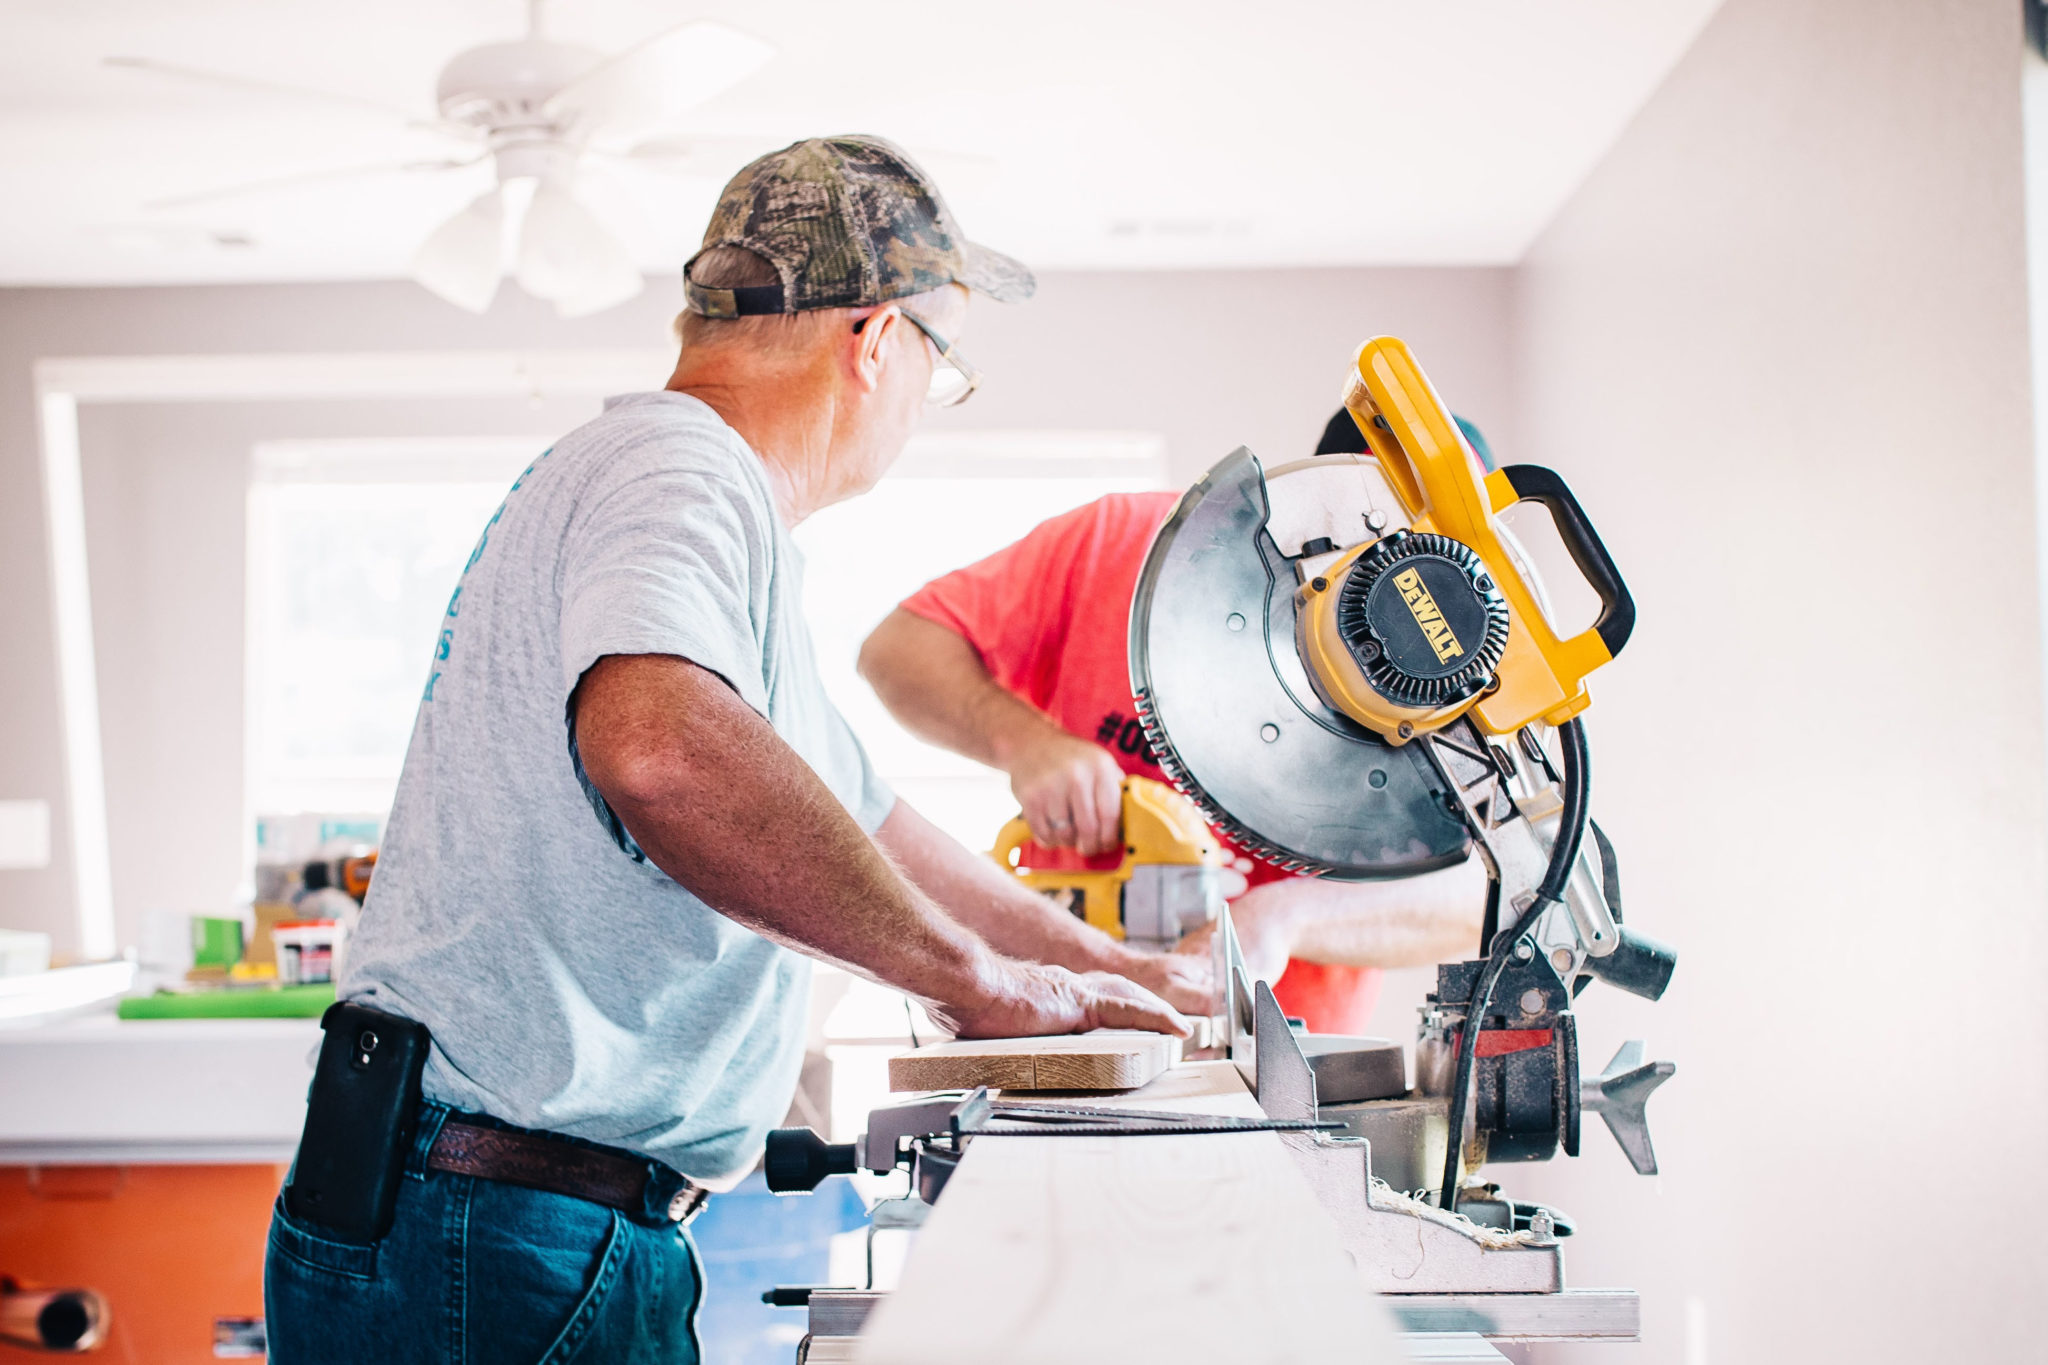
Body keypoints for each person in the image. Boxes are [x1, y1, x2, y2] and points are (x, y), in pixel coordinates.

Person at [263, 135, 1207, 1365]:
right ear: (874, 340)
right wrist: (970, 983)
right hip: (495, 1229)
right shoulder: (679, 465)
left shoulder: (682, 502)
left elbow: (867, 825)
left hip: (491, 1214)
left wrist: (1092, 969)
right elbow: (659, 752)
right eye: (943, 362)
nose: (928, 397)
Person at [858, 409, 1496, 1036]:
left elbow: (1488, 895)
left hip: (1283, 1061)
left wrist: (1286, 915)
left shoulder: (1461, 684)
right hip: (1062, 1019)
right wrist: (1024, 741)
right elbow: (896, 650)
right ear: (1309, 490)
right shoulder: (1121, 542)